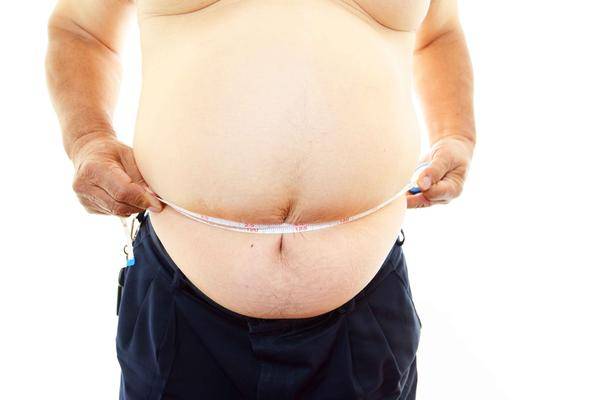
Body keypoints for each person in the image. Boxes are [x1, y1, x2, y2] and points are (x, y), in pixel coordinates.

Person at [46, 0, 475, 398]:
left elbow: (438, 34)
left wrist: (455, 135)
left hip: (365, 313)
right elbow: (82, 30)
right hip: (181, 308)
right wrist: (88, 140)